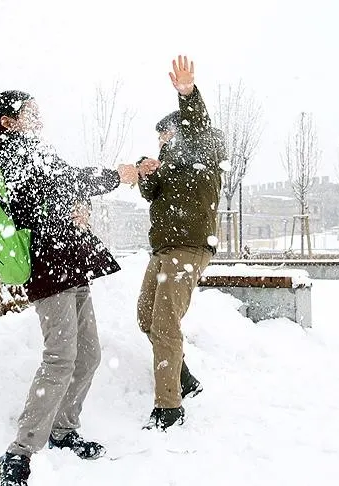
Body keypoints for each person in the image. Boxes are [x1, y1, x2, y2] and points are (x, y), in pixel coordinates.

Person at [0, 90, 140, 486]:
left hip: (71, 263)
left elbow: (64, 189)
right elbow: (65, 182)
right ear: (9, 121)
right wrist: (116, 175)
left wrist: (82, 207)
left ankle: (63, 430)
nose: (39, 118)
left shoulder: (35, 149)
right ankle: (18, 453)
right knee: (60, 357)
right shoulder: (9, 150)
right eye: (30, 113)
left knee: (89, 354)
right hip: (48, 266)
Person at [135, 55, 226, 431]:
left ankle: (169, 407)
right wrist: (145, 172)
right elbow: (150, 194)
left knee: (165, 323)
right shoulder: (168, 165)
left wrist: (187, 93)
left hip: (189, 248)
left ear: (181, 131)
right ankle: (184, 377)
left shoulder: (204, 149)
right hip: (164, 250)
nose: (162, 142)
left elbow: (198, 125)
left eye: (166, 135)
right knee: (146, 316)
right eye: (159, 138)